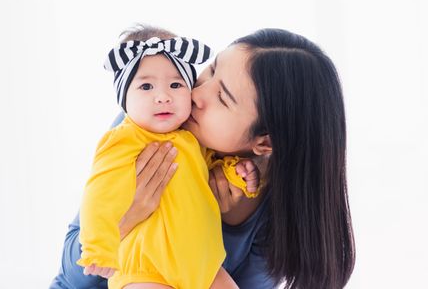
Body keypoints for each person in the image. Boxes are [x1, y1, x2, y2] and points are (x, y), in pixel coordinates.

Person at [51, 28, 355, 289]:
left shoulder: (275, 200)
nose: (196, 93)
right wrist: (127, 217)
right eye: (210, 70)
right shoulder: (153, 121)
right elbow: (71, 276)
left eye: (222, 98)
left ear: (265, 142)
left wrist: (232, 226)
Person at [76, 26, 258, 289]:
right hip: (145, 270)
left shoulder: (191, 137)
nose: (163, 97)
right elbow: (98, 194)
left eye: (175, 84)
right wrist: (99, 247)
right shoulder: (123, 139)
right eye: (146, 86)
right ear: (124, 97)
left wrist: (235, 173)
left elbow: (208, 171)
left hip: (204, 268)